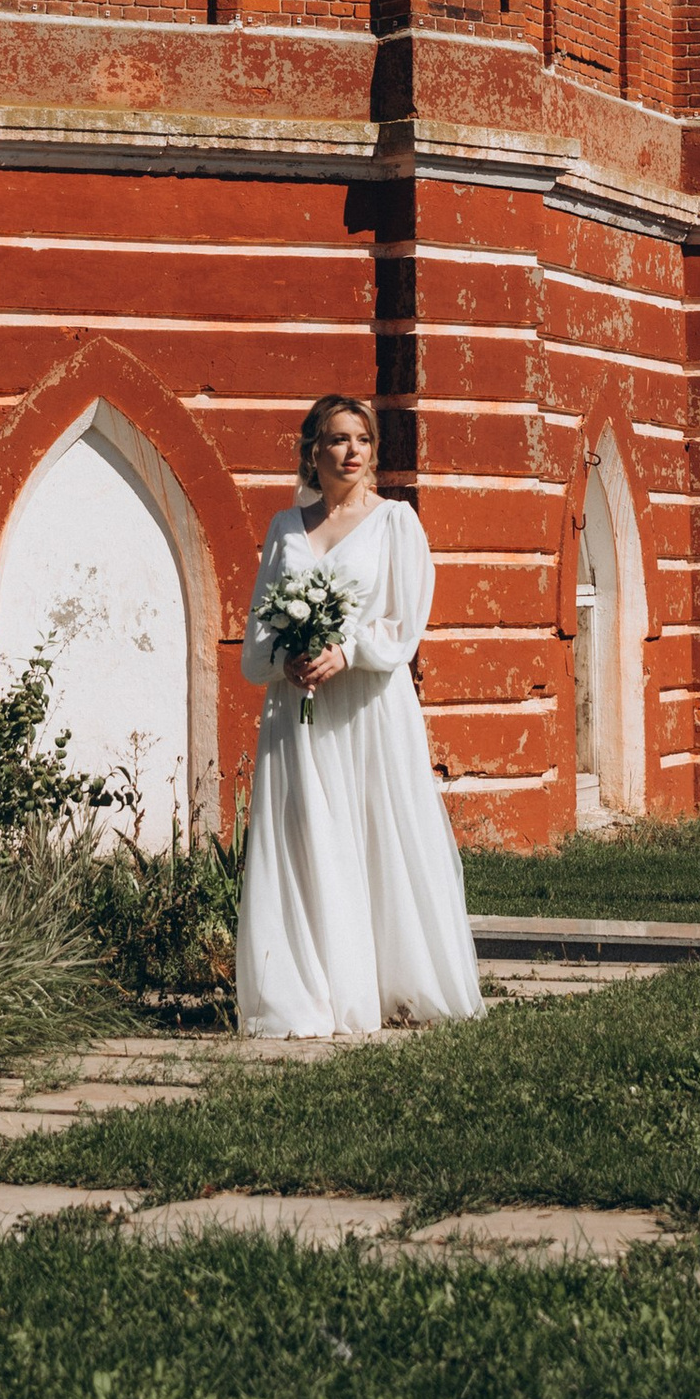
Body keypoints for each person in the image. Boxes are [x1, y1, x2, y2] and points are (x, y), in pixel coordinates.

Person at [233, 393, 486, 1040]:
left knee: (379, 831)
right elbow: (261, 622)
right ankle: (314, 991)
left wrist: (350, 650)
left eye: (362, 440)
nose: (352, 451)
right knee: (308, 835)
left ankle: (394, 982)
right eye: (337, 439)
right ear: (311, 450)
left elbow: (407, 619)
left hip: (371, 705)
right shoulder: (286, 528)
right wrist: (284, 659)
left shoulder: (396, 524)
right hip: (301, 710)